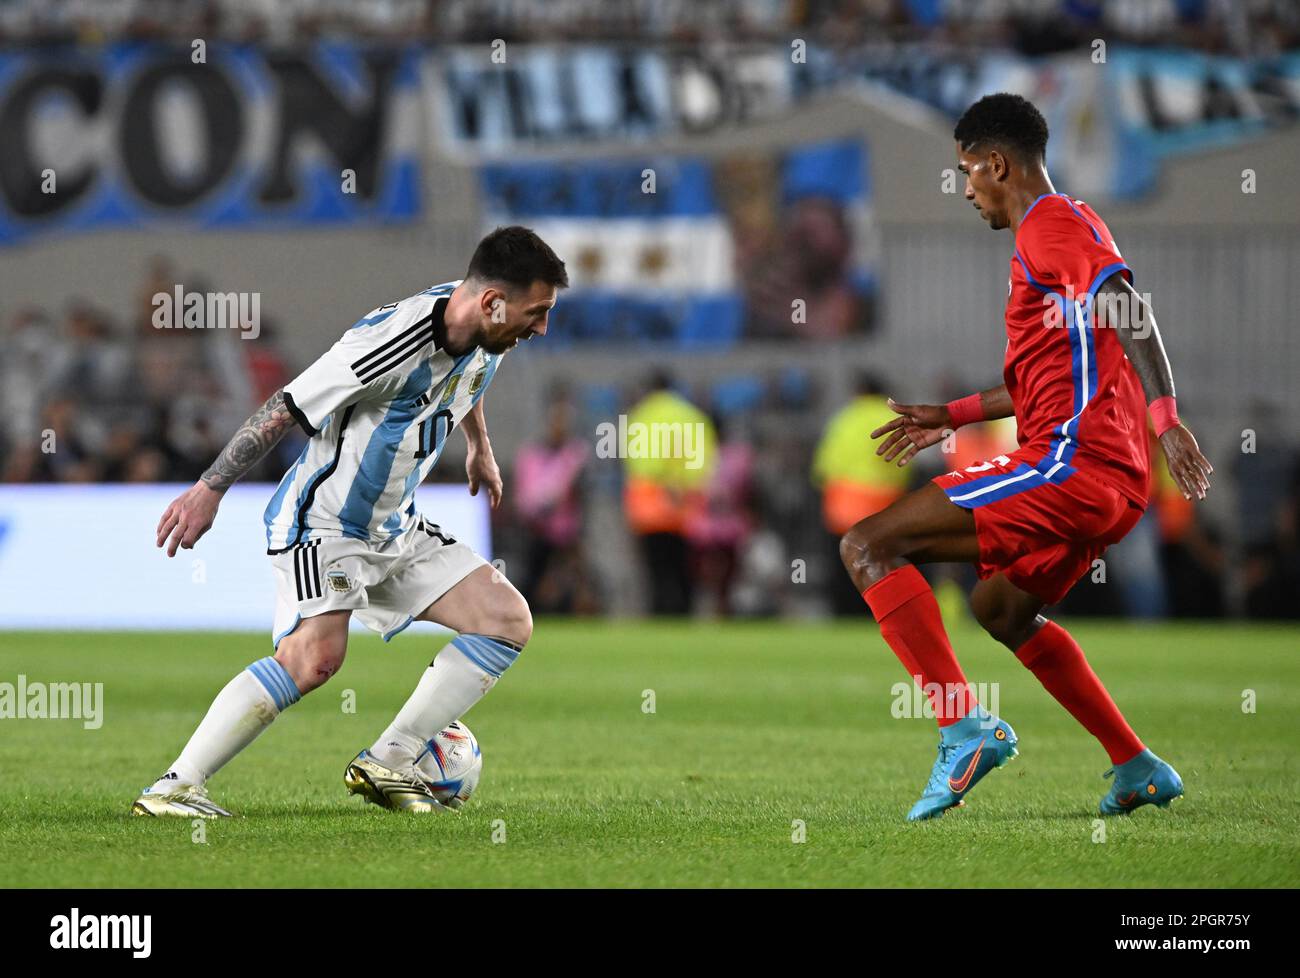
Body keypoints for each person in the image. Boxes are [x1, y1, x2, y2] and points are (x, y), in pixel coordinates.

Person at [839, 94, 1214, 821]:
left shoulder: (1051, 225)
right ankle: (1136, 765)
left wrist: (1168, 419)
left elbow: (1129, 306)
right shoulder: (1063, 232)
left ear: (997, 164)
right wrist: (950, 415)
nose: (965, 189)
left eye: (966, 172)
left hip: (1072, 465)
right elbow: (1045, 377)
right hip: (1110, 484)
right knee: (1000, 608)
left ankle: (964, 730)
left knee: (868, 546)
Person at [133, 226, 568, 817]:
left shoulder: (485, 327)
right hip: (325, 525)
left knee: (506, 619)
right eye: (536, 313)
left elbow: (470, 375)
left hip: (395, 527)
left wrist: (479, 445)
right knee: (313, 660)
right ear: (492, 302)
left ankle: (392, 758)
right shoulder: (388, 342)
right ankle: (175, 786)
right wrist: (210, 488)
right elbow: (284, 407)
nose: (541, 328)